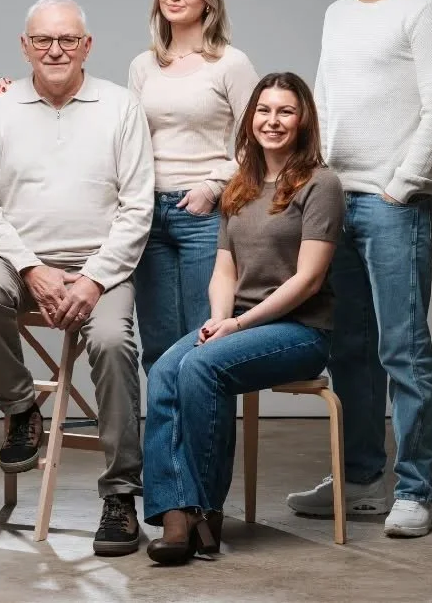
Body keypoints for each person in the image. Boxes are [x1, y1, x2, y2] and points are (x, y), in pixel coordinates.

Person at [287, 0, 432, 538]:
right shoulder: (337, 14)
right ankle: (362, 480)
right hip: (337, 203)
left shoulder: (422, 12)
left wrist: (402, 185)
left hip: (394, 206)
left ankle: (416, 489)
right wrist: (316, 183)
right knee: (349, 349)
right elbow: (326, 105)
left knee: (402, 350)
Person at [0, 0, 154, 557]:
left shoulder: (121, 106)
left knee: (115, 341)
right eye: (42, 40)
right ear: (24, 47)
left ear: (87, 46)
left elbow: (137, 208)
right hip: (19, 260)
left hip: (102, 265)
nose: (55, 49)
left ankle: (120, 495)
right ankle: (21, 405)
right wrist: (32, 268)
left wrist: (93, 279)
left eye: (68, 39)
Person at [142, 72, 343, 565]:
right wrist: (217, 320)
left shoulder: (321, 184)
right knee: (167, 368)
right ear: (250, 118)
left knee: (202, 367)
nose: (272, 121)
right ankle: (174, 511)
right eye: (264, 111)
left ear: (303, 121)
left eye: (285, 112)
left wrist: (237, 326)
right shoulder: (241, 185)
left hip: (299, 331)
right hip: (238, 324)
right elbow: (224, 269)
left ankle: (206, 512)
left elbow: (309, 280)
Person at [129, 0, 259, 375]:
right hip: (148, 216)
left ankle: (203, 445)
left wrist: (212, 187)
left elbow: (256, 141)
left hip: (202, 214)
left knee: (205, 343)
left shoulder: (231, 63)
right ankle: (166, 445)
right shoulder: (143, 66)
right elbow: (131, 143)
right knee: (159, 347)